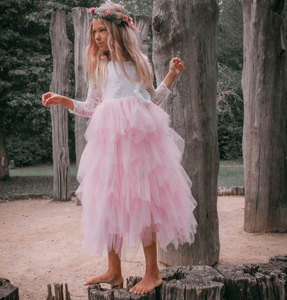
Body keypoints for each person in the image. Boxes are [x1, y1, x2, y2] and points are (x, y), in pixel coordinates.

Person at [42, 2, 198, 295]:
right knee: (109, 201)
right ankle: (114, 270)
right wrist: (64, 101)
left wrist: (170, 77)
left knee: (143, 204)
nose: (97, 36)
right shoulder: (99, 66)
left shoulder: (138, 62)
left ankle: (153, 272)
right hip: (109, 149)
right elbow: (92, 107)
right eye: (94, 31)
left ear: (117, 30)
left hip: (138, 149)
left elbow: (152, 100)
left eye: (102, 30)